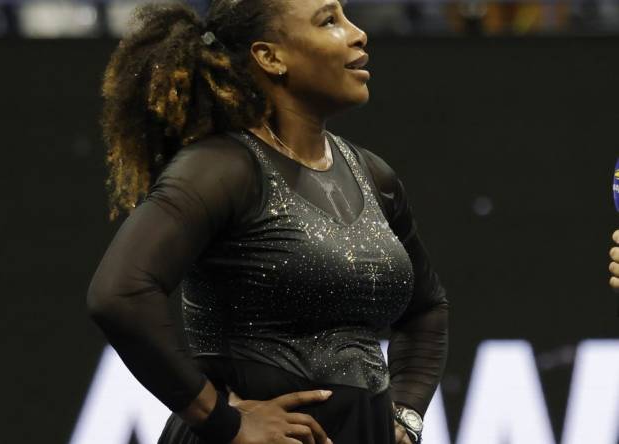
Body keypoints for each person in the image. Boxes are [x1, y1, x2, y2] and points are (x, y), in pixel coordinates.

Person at [88, 1, 449, 443]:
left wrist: (407, 415)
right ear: (270, 57)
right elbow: (119, 294)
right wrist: (223, 421)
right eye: (329, 21)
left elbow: (426, 307)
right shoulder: (221, 168)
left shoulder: (373, 175)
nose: (358, 34)